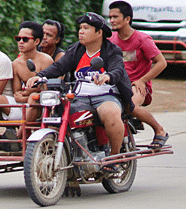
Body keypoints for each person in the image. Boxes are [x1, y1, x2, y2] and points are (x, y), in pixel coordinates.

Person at [27, 12, 132, 172]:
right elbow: (59, 66)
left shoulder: (111, 50)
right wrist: (39, 76)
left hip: (106, 95)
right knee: (59, 115)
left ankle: (114, 157)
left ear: (99, 32)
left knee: (110, 113)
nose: (81, 31)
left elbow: (118, 69)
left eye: (86, 28)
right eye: (80, 28)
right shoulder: (76, 49)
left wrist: (108, 76)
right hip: (80, 96)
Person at [108, 0, 169, 149]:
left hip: (137, 86)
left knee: (131, 106)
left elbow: (162, 62)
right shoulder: (110, 40)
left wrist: (142, 81)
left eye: (115, 17)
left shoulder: (142, 39)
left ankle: (159, 130)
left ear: (127, 19)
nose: (111, 20)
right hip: (116, 84)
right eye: (110, 17)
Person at [0, 21, 54, 145]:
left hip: (41, 106)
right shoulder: (16, 63)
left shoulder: (46, 60)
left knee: (34, 97)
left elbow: (49, 90)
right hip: (24, 104)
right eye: (18, 38)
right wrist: (27, 95)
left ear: (37, 42)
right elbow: (16, 93)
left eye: (25, 39)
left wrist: (29, 93)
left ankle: (18, 137)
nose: (20, 42)